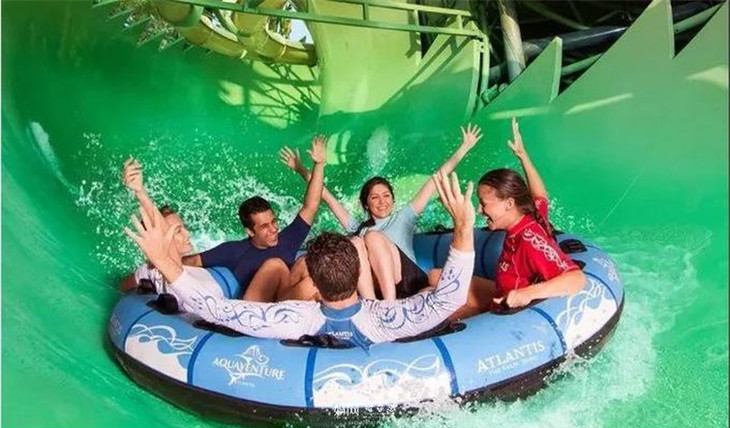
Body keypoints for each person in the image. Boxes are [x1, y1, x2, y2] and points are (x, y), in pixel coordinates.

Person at [122, 171, 476, 347]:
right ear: (357, 272)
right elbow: (450, 298)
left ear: (318, 283)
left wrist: (161, 259)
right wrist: (463, 228)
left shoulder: (290, 319)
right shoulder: (390, 317)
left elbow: (215, 309)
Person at [279, 124, 483, 301]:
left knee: (372, 237)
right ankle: (371, 304)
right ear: (366, 204)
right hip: (376, 288)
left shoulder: (404, 218)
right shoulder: (357, 227)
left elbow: (435, 179)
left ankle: (389, 305)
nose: (382, 201)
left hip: (408, 281)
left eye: (386, 196)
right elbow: (325, 195)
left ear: (393, 200)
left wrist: (464, 147)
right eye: (375, 197)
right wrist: (300, 168)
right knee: (354, 242)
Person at [120, 135, 327, 302]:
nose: (273, 229)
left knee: (305, 262)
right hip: (260, 310)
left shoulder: (288, 239)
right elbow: (189, 262)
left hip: (288, 299)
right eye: (264, 226)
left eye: (274, 221)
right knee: (276, 266)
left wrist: (319, 164)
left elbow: (311, 206)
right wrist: (155, 260)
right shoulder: (234, 251)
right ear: (249, 231)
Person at [453, 118, 585, 318]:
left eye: (484, 203)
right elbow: (540, 196)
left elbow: (576, 279)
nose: (479, 210)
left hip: (505, 310)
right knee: (436, 277)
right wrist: (522, 155)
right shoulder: (530, 214)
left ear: (509, 203)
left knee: (441, 303)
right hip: (499, 291)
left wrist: (526, 294)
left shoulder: (530, 240)